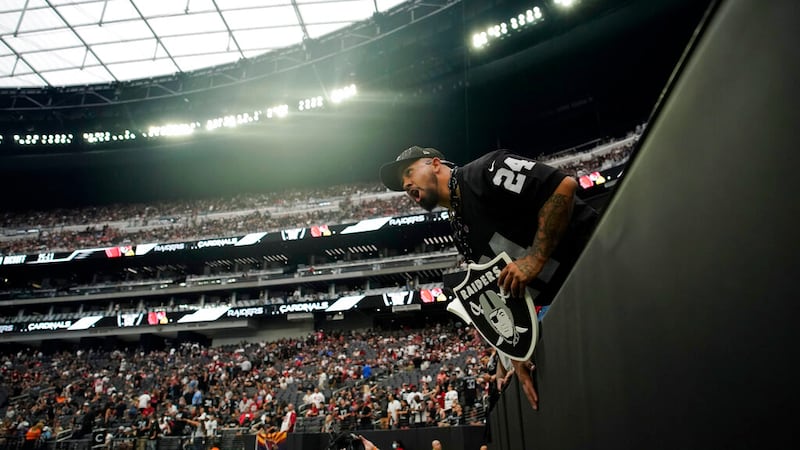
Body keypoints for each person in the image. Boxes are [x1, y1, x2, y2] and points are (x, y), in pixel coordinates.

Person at [380, 146, 598, 411]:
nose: (405, 184)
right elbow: (498, 288)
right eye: (403, 183)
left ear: (435, 163)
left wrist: (535, 258)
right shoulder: (459, 229)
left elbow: (561, 186)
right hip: (566, 304)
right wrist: (516, 351)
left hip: (597, 262)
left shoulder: (485, 171)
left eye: (409, 172)